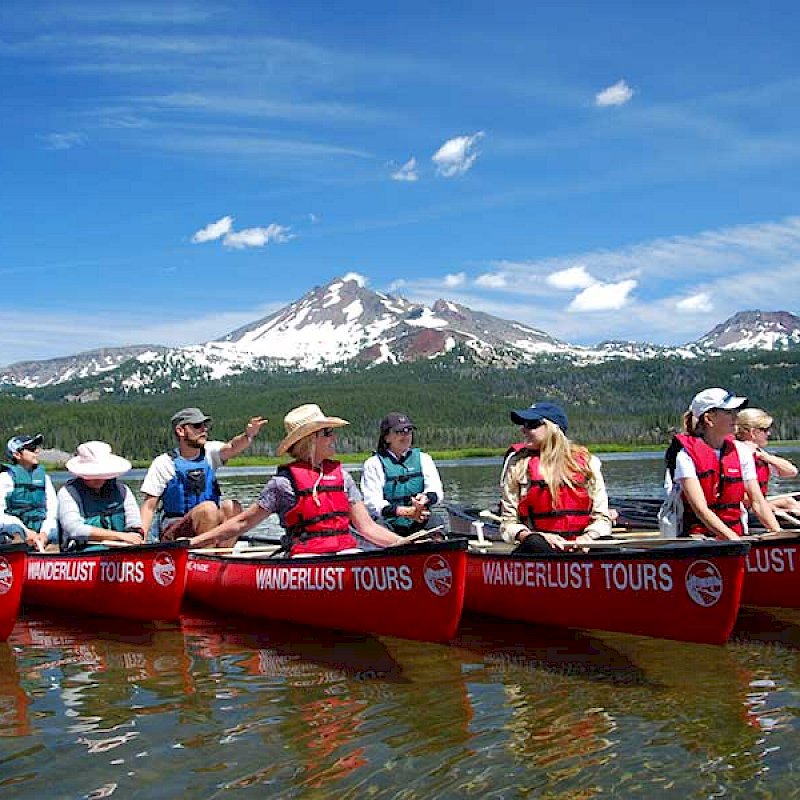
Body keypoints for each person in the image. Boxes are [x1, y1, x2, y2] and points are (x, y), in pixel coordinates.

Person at [189, 403, 406, 553]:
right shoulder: (283, 484)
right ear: (311, 440)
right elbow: (243, 522)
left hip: (344, 552)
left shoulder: (343, 478)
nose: (334, 437)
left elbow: (367, 528)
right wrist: (194, 542)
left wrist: (405, 543)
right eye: (327, 432)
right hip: (306, 559)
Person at [664, 388, 782, 539]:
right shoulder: (685, 456)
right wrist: (733, 540)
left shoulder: (741, 451)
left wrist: (777, 534)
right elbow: (701, 509)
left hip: (735, 533)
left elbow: (758, 502)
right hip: (699, 538)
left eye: (735, 412)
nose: (735, 417)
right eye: (728, 412)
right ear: (709, 418)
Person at [139, 407, 267, 545]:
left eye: (204, 426)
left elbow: (231, 447)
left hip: (209, 525)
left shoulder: (210, 452)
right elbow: (149, 506)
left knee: (232, 507)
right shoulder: (164, 463)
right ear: (180, 431)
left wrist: (248, 435)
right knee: (208, 509)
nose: (203, 430)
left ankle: (223, 556)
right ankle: (206, 556)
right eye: (197, 426)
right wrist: (140, 538)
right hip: (174, 531)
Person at [499, 401, 613, 552]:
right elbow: (508, 523)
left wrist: (588, 538)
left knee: (606, 544)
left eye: (531, 424)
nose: (523, 429)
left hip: (581, 546)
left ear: (553, 428)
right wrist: (532, 535)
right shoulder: (516, 465)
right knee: (535, 543)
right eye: (523, 424)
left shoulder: (588, 463)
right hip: (538, 547)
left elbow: (602, 518)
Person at [360, 412, 444, 535]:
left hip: (420, 519)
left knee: (436, 522)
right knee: (377, 527)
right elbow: (372, 503)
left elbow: (436, 490)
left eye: (409, 431)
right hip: (389, 523)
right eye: (399, 432)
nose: (406, 435)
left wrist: (425, 499)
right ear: (386, 437)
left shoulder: (424, 459)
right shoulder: (373, 464)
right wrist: (403, 511)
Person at [57, 441, 145, 550]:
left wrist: (136, 535)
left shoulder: (123, 490)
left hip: (122, 551)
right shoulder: (67, 493)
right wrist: (119, 536)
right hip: (83, 553)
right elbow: (74, 529)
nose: (98, 478)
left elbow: (134, 522)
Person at [735, 407, 800, 517]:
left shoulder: (759, 454)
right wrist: (769, 507)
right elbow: (741, 496)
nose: (768, 433)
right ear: (753, 432)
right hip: (745, 511)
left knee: (789, 502)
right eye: (765, 430)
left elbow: (791, 472)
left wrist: (766, 457)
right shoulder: (738, 454)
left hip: (757, 504)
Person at [0, 434, 57, 551]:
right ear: (17, 454)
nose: (36, 451)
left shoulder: (45, 479)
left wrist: (44, 533)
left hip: (41, 529)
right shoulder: (5, 478)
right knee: (13, 531)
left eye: (36, 447)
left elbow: (53, 510)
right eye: (31, 448)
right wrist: (26, 532)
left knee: (56, 532)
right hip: (15, 528)